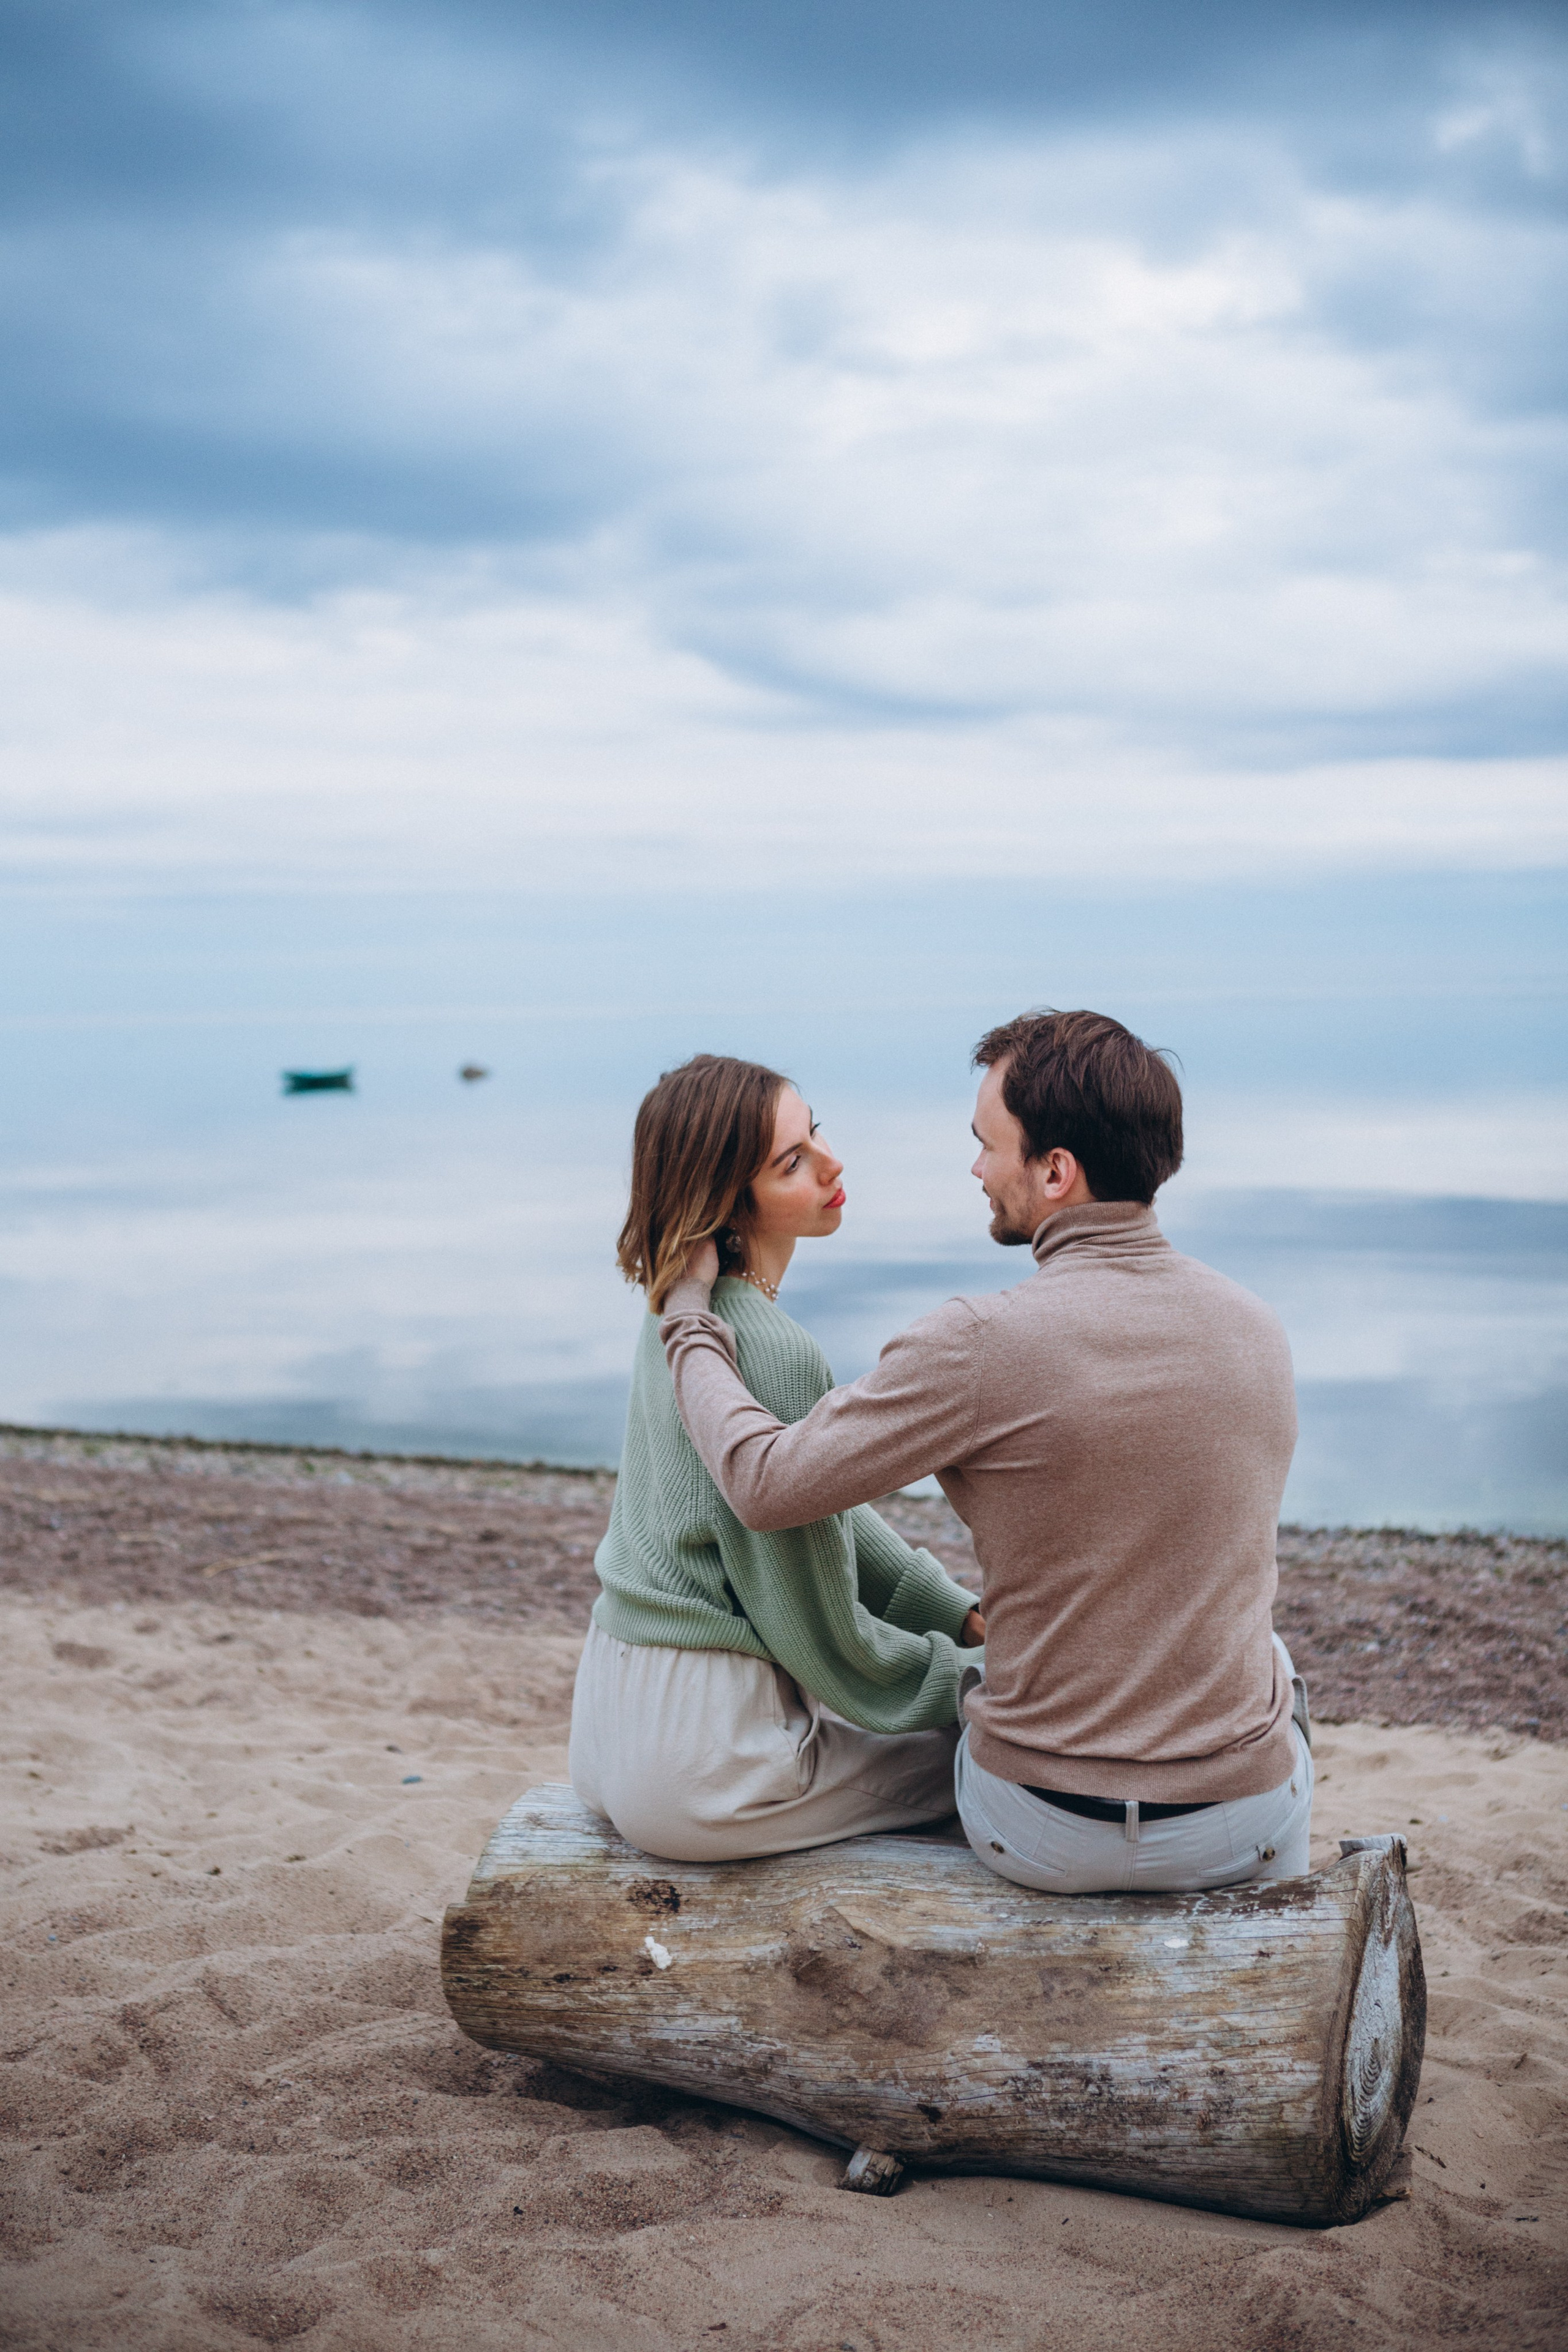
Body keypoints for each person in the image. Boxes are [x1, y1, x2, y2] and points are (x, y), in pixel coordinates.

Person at [658, 1009, 1314, 1897]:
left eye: (988, 1145)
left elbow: (765, 1484)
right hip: (1238, 1832)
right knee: (1270, 1661)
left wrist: (690, 1322)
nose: (975, 1168)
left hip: (1041, 1829)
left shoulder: (979, 1344)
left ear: (1055, 1171)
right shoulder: (1259, 1330)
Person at [568, 1052, 986, 1863]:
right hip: (703, 1762)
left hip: (607, 1724)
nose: (832, 1164)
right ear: (729, 1202)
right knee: (995, 1761)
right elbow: (828, 1640)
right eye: (792, 1162)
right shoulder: (773, 1353)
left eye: (815, 1132)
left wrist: (956, 1613)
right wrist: (972, 1677)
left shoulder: (679, 1319)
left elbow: (825, 1511)